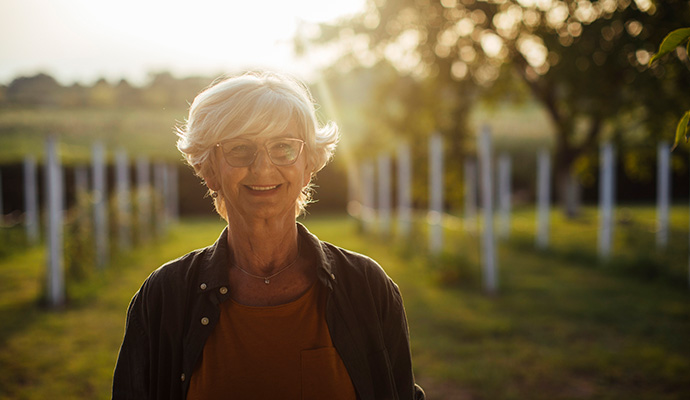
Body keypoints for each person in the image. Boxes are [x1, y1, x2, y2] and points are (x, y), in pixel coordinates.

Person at [112, 71, 425, 400]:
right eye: (239, 149)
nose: (262, 168)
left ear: (308, 166)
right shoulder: (164, 297)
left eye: (283, 148)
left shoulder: (368, 288)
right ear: (209, 169)